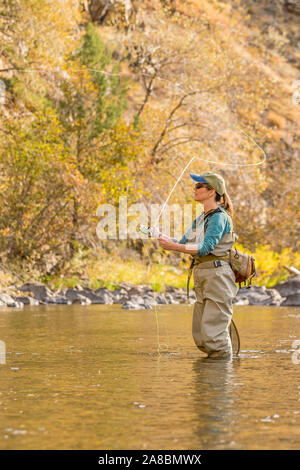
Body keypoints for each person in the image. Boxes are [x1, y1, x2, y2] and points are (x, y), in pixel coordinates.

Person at [158, 171, 239, 360]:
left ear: (212, 192)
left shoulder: (220, 217)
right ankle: (207, 383)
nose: (194, 189)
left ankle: (221, 381)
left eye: (198, 186)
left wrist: (174, 246)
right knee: (202, 336)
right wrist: (163, 238)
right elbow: (183, 241)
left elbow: (205, 247)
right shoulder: (202, 218)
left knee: (214, 336)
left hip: (218, 276)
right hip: (203, 275)